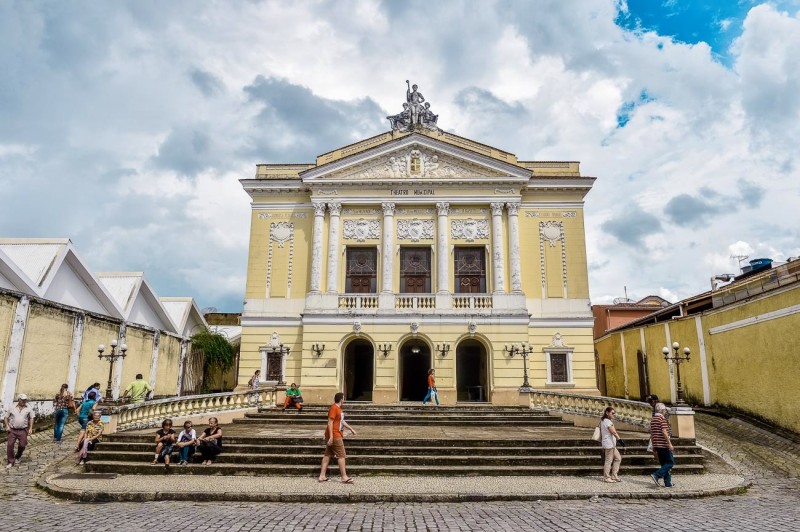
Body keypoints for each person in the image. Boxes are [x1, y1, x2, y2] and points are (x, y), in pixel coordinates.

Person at [319, 392, 353, 484]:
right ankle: (344, 477)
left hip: (335, 434)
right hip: (335, 435)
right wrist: (331, 436)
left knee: (327, 455)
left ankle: (322, 476)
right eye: (343, 398)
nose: (344, 399)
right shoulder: (334, 408)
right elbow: (330, 422)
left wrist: (351, 429)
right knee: (341, 455)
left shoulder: (339, 408)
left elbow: (341, 421)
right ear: (341, 399)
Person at [4, 394, 34, 469]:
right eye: (22, 400)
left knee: (22, 445)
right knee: (10, 445)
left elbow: (31, 418)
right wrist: (7, 426)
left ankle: (18, 456)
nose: (24, 401)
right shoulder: (12, 407)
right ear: (19, 400)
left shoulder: (29, 408)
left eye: (25, 400)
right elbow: (5, 417)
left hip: (23, 430)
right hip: (12, 430)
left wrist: (30, 428)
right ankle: (10, 461)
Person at [650, 402, 675, 488]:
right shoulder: (662, 419)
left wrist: (653, 446)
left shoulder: (653, 419)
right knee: (670, 462)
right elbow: (664, 432)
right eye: (664, 410)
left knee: (664, 464)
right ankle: (656, 475)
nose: (665, 412)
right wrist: (669, 443)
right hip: (663, 444)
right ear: (660, 410)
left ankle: (668, 482)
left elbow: (652, 434)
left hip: (657, 444)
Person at [600, 406, 622, 483]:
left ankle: (614, 475)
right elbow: (613, 432)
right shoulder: (607, 421)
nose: (613, 414)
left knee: (618, 458)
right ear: (607, 413)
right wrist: (620, 440)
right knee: (608, 460)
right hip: (609, 444)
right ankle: (606, 477)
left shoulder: (604, 421)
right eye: (612, 413)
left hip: (611, 444)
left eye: (614, 413)